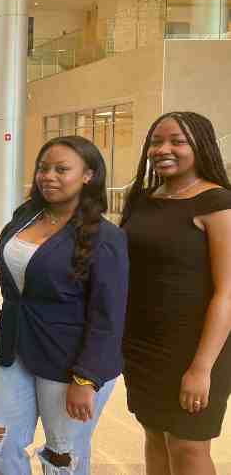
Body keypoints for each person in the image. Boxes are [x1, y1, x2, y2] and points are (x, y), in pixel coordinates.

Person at [0, 136, 129, 475]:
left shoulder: (105, 237)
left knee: (62, 456)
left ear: (88, 175)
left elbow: (108, 315)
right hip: (15, 348)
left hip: (69, 362)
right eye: (43, 168)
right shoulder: (26, 215)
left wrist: (86, 380)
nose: (48, 176)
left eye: (61, 169)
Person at [120, 111, 231, 475]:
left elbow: (227, 293)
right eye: (156, 141)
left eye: (177, 141)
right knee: (154, 435)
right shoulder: (144, 198)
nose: (162, 149)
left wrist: (201, 368)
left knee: (188, 446)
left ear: (201, 146)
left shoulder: (218, 203)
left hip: (195, 348)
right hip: (143, 345)